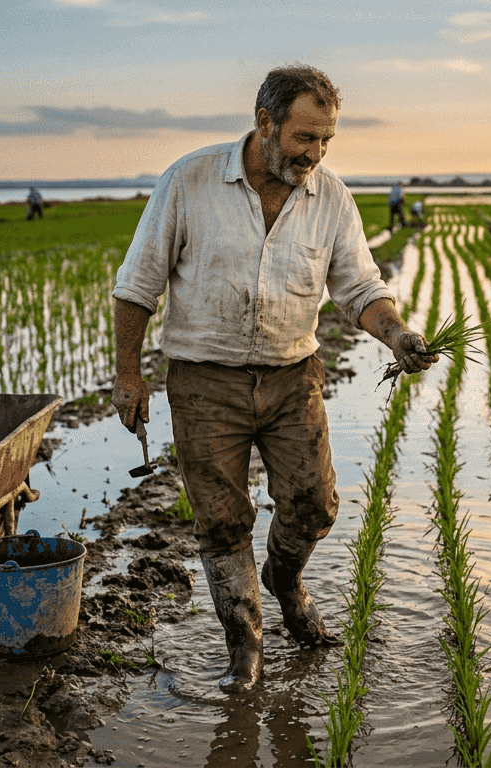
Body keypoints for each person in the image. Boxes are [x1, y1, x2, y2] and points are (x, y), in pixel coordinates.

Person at [110, 65, 436, 694]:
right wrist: (128, 377)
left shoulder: (331, 197)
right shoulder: (189, 180)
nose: (314, 154)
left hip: (292, 377)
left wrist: (399, 336)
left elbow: (360, 287)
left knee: (315, 504)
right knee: (222, 521)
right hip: (205, 383)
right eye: (304, 138)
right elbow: (136, 288)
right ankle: (246, 648)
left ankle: (284, 582)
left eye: (325, 142)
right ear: (265, 123)